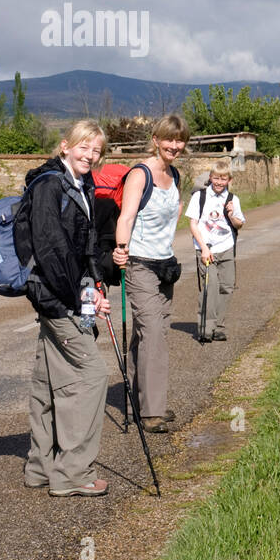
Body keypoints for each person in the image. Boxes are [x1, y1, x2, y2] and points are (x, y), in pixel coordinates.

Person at [23, 120, 112, 497]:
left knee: (47, 380)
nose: (90, 155)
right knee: (92, 376)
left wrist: (96, 286)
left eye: (97, 151)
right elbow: (51, 251)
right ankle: (73, 473)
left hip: (67, 295)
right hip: (55, 297)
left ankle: (40, 468)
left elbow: (84, 246)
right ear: (65, 146)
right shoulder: (48, 187)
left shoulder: (80, 185)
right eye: (84, 148)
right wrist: (79, 302)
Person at [112, 114, 188, 433]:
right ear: (156, 139)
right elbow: (126, 217)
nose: (174, 145)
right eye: (168, 139)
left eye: (180, 140)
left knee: (150, 334)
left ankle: (138, 399)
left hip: (165, 265)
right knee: (153, 332)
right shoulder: (140, 175)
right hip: (139, 263)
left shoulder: (175, 175)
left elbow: (175, 212)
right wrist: (120, 248)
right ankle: (152, 411)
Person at [185, 158, 245, 342]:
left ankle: (218, 327)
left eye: (223, 179)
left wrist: (231, 214)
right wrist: (203, 248)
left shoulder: (233, 199)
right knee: (210, 288)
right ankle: (205, 329)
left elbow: (239, 224)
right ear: (210, 177)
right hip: (206, 249)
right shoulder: (200, 197)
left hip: (226, 247)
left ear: (229, 180)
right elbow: (193, 225)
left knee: (226, 287)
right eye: (216, 178)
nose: (219, 182)